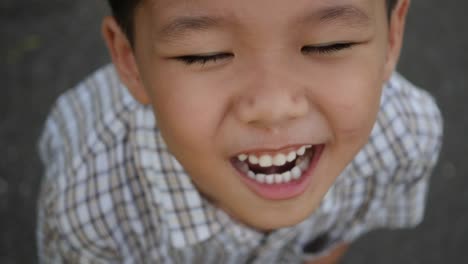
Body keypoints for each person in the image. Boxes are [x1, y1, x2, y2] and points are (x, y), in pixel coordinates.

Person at [36, 0, 443, 263]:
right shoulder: (85, 205)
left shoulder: (407, 138)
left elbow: (335, 241)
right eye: (204, 54)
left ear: (391, 37)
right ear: (130, 62)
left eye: (329, 44)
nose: (273, 108)